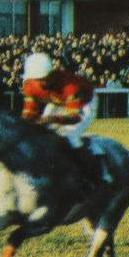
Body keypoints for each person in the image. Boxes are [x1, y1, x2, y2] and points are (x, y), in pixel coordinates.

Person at [21, 51, 110, 185]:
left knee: (69, 136)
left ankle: (98, 171)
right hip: (58, 102)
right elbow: (29, 113)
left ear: (51, 74)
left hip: (84, 103)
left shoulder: (71, 86)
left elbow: (74, 117)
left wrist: (50, 119)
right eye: (37, 80)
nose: (40, 84)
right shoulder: (29, 84)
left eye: (43, 79)